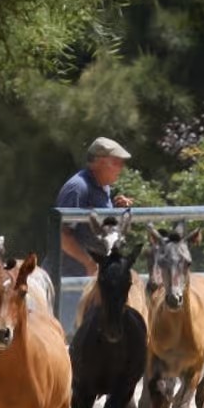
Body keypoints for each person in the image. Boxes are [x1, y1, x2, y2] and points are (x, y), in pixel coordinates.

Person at [54, 136, 135, 326]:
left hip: (88, 279)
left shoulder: (103, 187)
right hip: (69, 280)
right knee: (68, 332)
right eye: (116, 162)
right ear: (99, 162)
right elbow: (62, 236)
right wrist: (89, 262)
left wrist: (116, 210)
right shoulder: (78, 187)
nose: (121, 168)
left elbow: (101, 228)